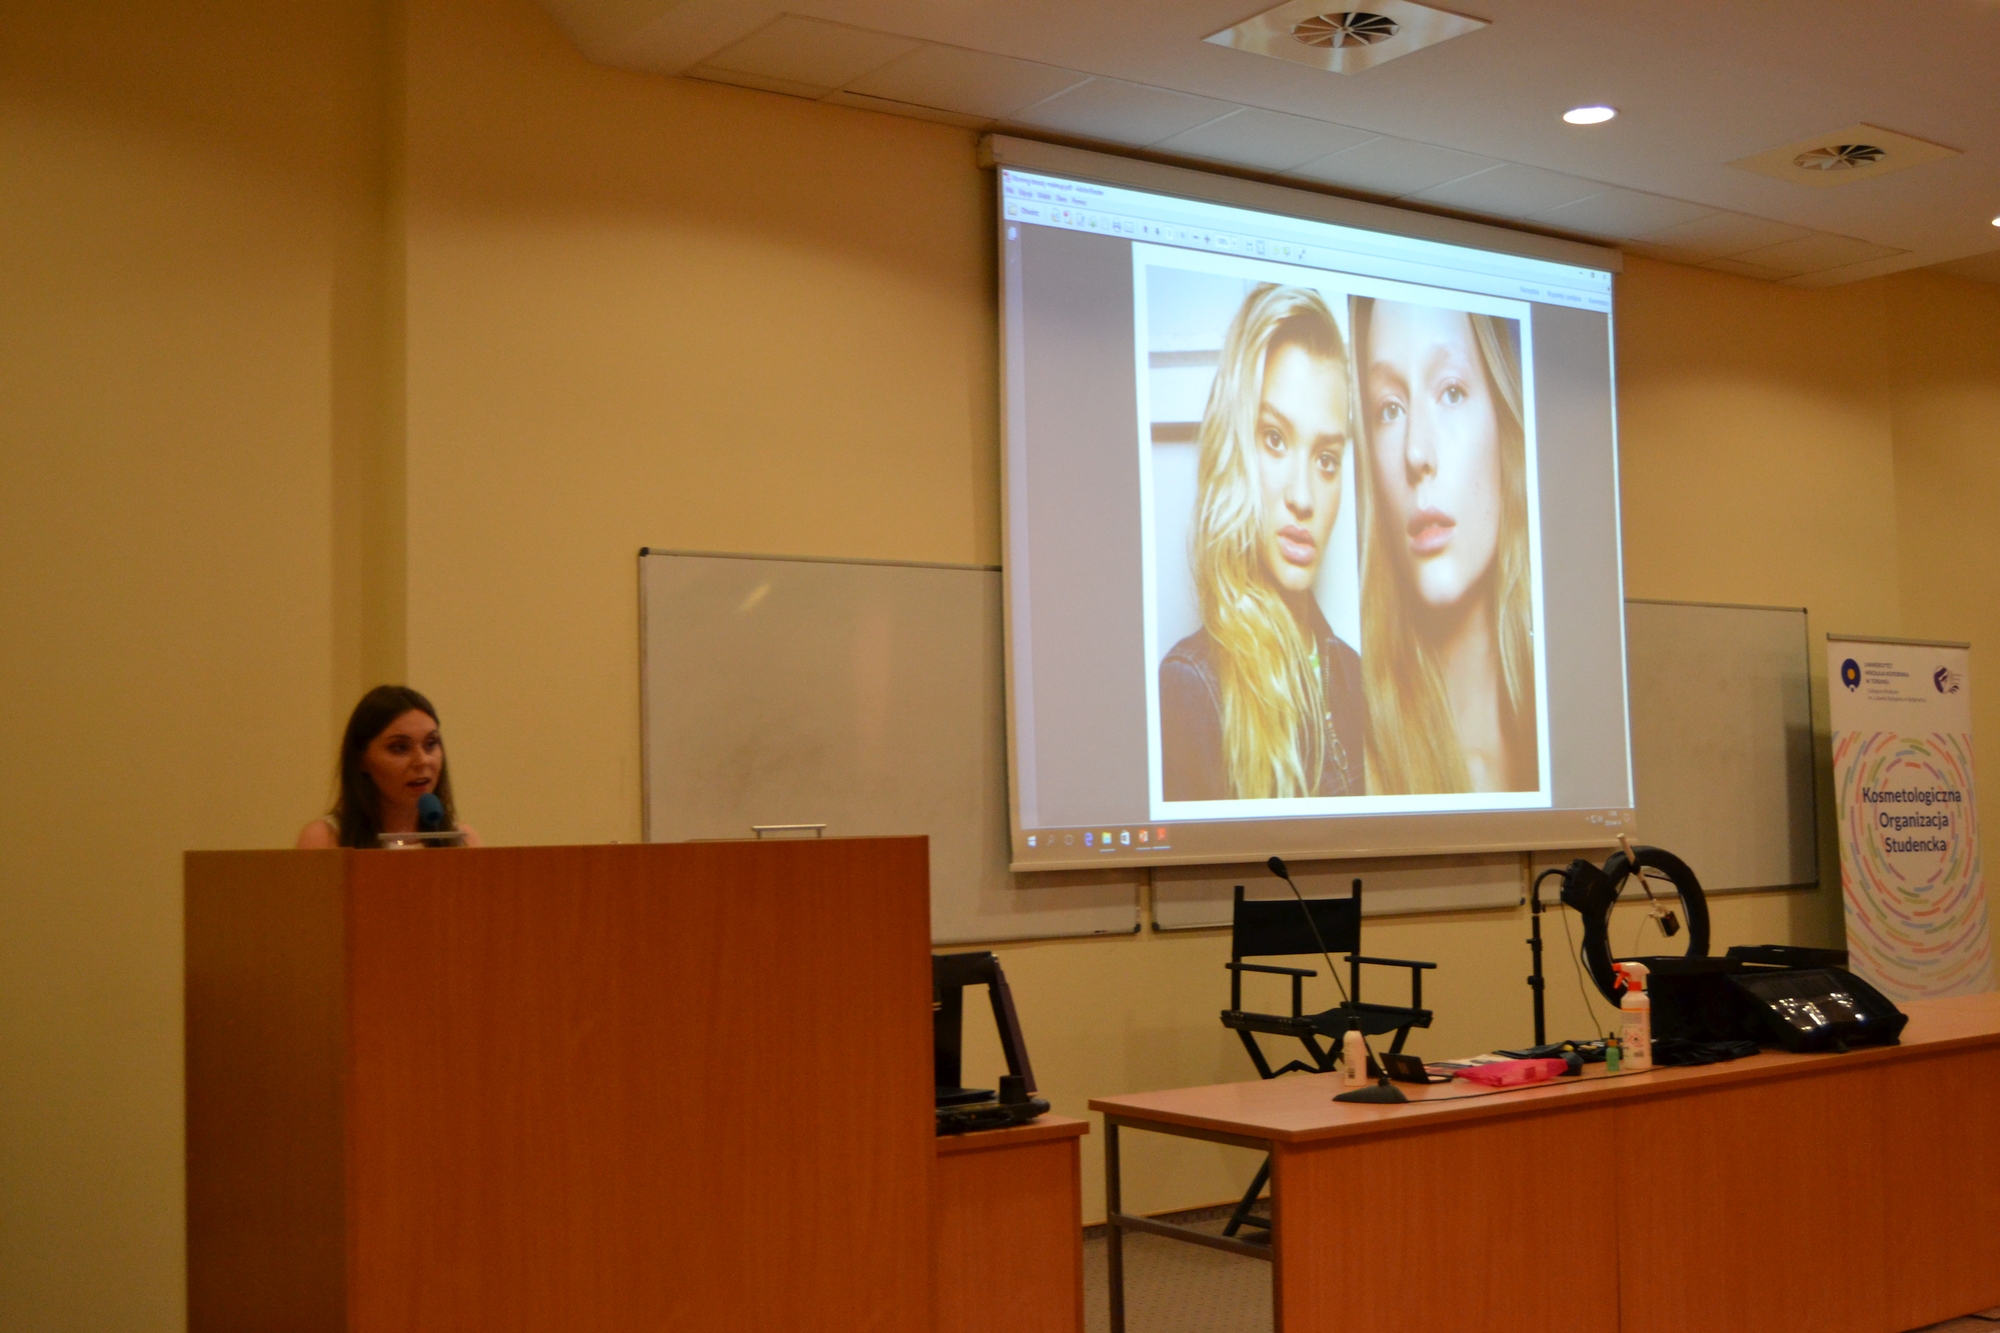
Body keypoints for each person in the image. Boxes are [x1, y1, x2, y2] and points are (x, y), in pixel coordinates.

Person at [1159, 283, 1365, 801]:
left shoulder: (1353, 673)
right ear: (1235, 446)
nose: (1303, 497)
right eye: (1274, 439)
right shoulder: (1193, 685)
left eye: (1327, 459)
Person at [1351, 297, 1538, 794]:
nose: (1416, 452)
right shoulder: (1351, 764)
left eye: (1451, 392)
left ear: (1502, 425)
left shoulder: (1566, 713)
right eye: (1389, 409)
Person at [296, 685, 482, 848]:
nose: (422, 761)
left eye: (431, 744)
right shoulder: (325, 838)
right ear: (361, 760)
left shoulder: (462, 840)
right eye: (400, 748)